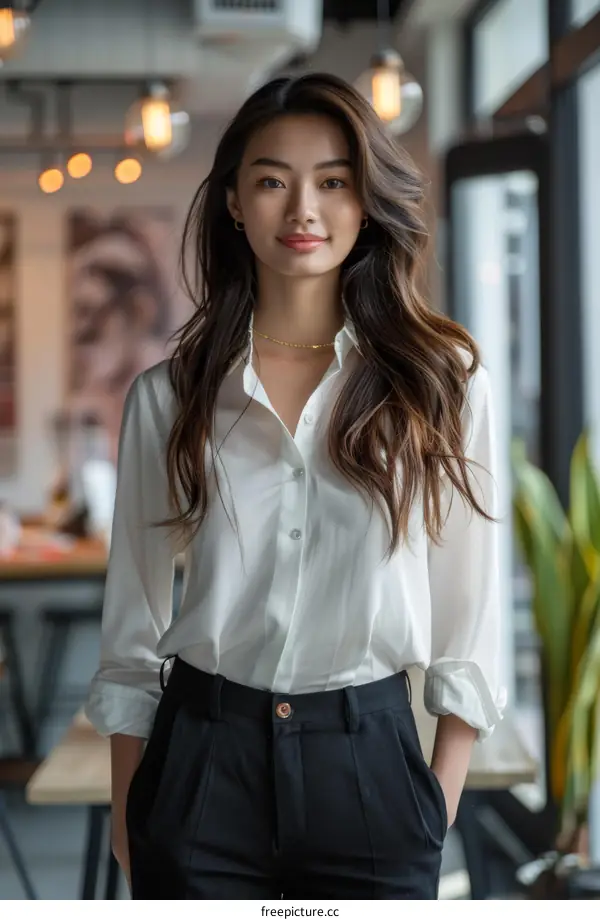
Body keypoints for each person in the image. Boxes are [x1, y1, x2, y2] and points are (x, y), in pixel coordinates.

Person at [85, 72, 506, 900]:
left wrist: (436, 800)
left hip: (373, 770)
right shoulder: (168, 399)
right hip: (201, 766)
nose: (302, 209)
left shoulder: (442, 385)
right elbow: (132, 627)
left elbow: (472, 614)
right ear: (236, 202)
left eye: (334, 181)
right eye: (273, 180)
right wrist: (131, 806)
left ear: (366, 197)